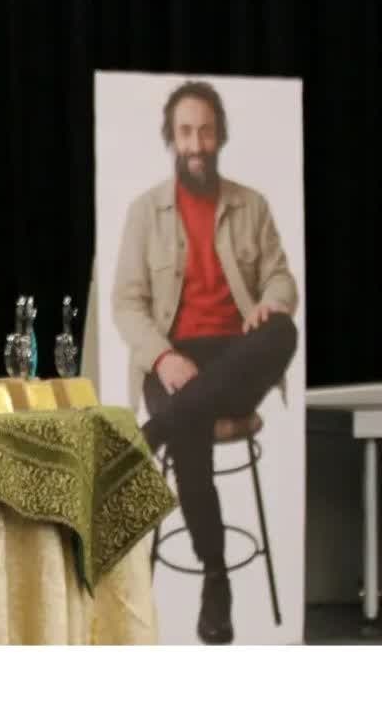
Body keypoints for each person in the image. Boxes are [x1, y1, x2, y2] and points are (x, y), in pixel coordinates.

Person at [111, 80, 298, 645]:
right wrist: (163, 356)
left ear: (221, 136)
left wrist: (271, 302)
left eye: (207, 131)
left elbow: (281, 277)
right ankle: (216, 576)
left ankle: (152, 434)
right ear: (172, 138)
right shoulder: (145, 212)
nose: (197, 143)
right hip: (172, 357)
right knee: (191, 422)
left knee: (284, 331)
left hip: (237, 356)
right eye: (186, 132)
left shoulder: (251, 205)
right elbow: (127, 303)